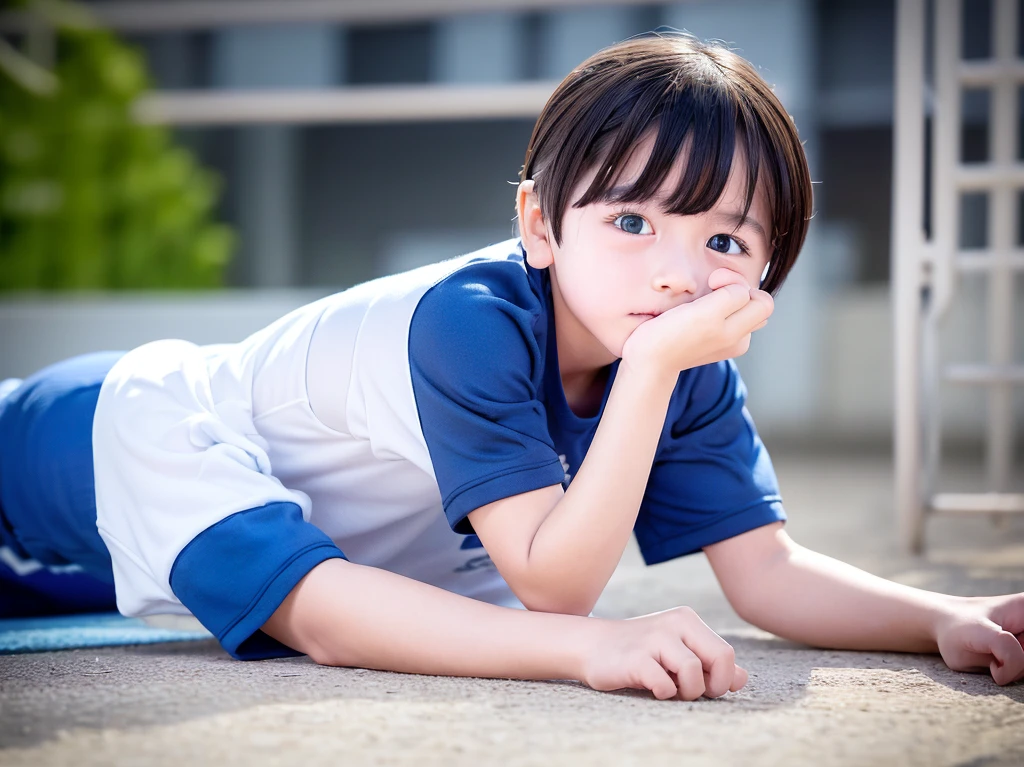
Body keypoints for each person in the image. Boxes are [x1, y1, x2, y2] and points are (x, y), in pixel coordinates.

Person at [1, 34, 1021, 700]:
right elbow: (554, 589)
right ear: (537, 221)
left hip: (233, 521)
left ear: (769, 264)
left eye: (725, 241)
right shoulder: (474, 321)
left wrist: (940, 620)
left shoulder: (676, 356)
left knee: (78, 591)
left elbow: (766, 573)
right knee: (304, 604)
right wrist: (593, 649)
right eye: (631, 219)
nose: (676, 273)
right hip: (136, 432)